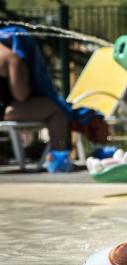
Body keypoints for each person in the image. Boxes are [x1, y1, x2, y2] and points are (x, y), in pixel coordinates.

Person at [0, 26, 74, 172]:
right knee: (56, 110)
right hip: (6, 110)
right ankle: (58, 160)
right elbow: (21, 94)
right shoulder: (9, 56)